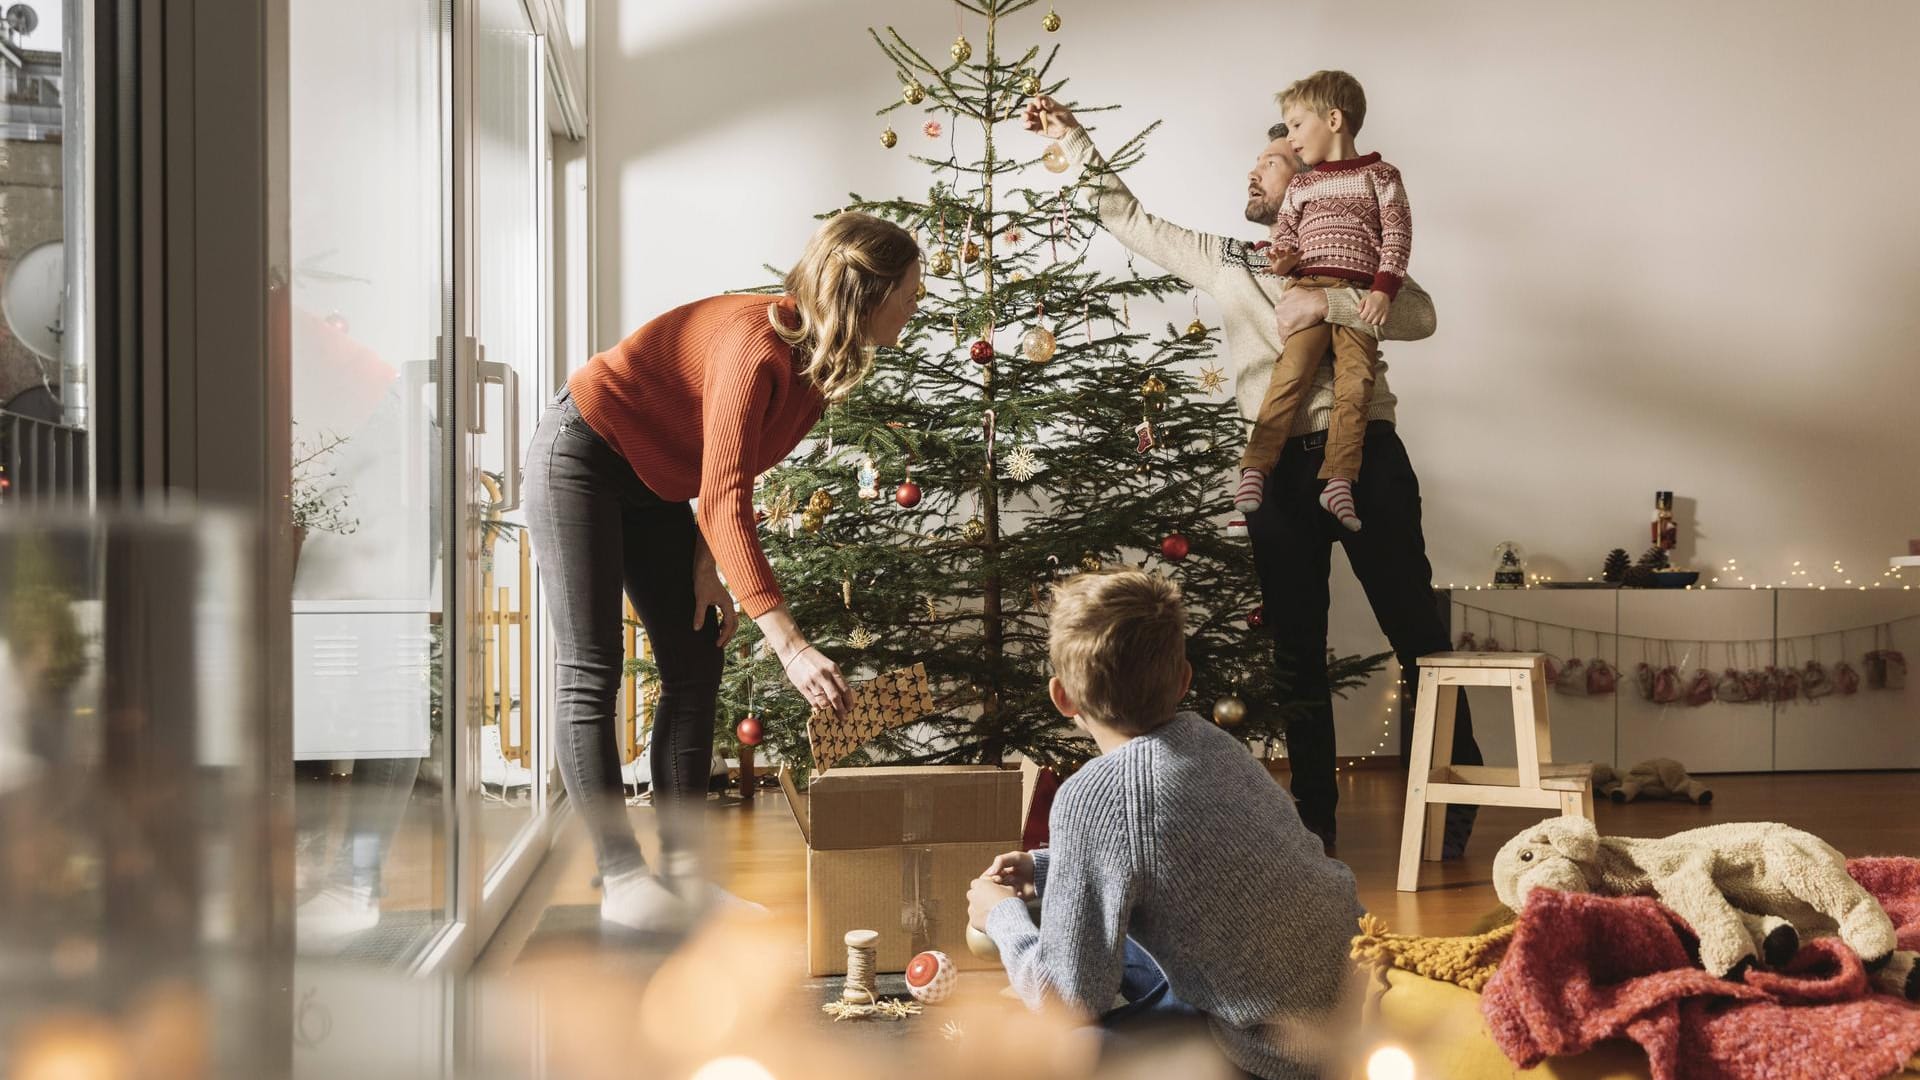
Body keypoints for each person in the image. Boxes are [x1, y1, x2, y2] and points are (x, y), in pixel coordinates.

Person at [1022, 96, 1480, 856]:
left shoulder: (1367, 267)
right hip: (1276, 473)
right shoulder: (1227, 257)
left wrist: (1328, 298)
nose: (1255, 175)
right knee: (1297, 646)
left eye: (1272, 165)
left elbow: (1421, 314)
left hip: (1368, 454)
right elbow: (1130, 218)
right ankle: (1316, 823)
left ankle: (1457, 806)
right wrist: (1073, 137)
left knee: (1418, 633)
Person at [523, 212, 921, 931]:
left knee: (696, 655)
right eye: (911, 293)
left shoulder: (820, 368)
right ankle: (620, 879)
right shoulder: (756, 343)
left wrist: (708, 565)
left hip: (654, 487)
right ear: (871, 290)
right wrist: (791, 646)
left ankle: (684, 875)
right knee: (592, 665)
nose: (917, 307)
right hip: (582, 454)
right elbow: (730, 497)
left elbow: (725, 475)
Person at [966, 569, 1363, 1080]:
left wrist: (1001, 917)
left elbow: (1069, 1000)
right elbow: (1178, 856)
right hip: (1352, 1001)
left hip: (1279, 1056)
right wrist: (1048, 867)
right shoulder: (1214, 742)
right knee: (1118, 933)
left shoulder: (1092, 794)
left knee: (1041, 1047)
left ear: (1062, 697)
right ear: (1183, 680)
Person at [1238, 70, 1411, 533]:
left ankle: (1339, 479)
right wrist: (1283, 260)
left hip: (1356, 294)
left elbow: (1396, 235)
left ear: (1334, 119)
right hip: (1309, 285)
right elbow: (1288, 236)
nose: (1292, 138)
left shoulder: (1381, 176)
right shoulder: (1301, 188)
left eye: (1296, 125)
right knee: (1290, 374)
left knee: (1356, 383)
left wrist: (1382, 290)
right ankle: (1256, 466)